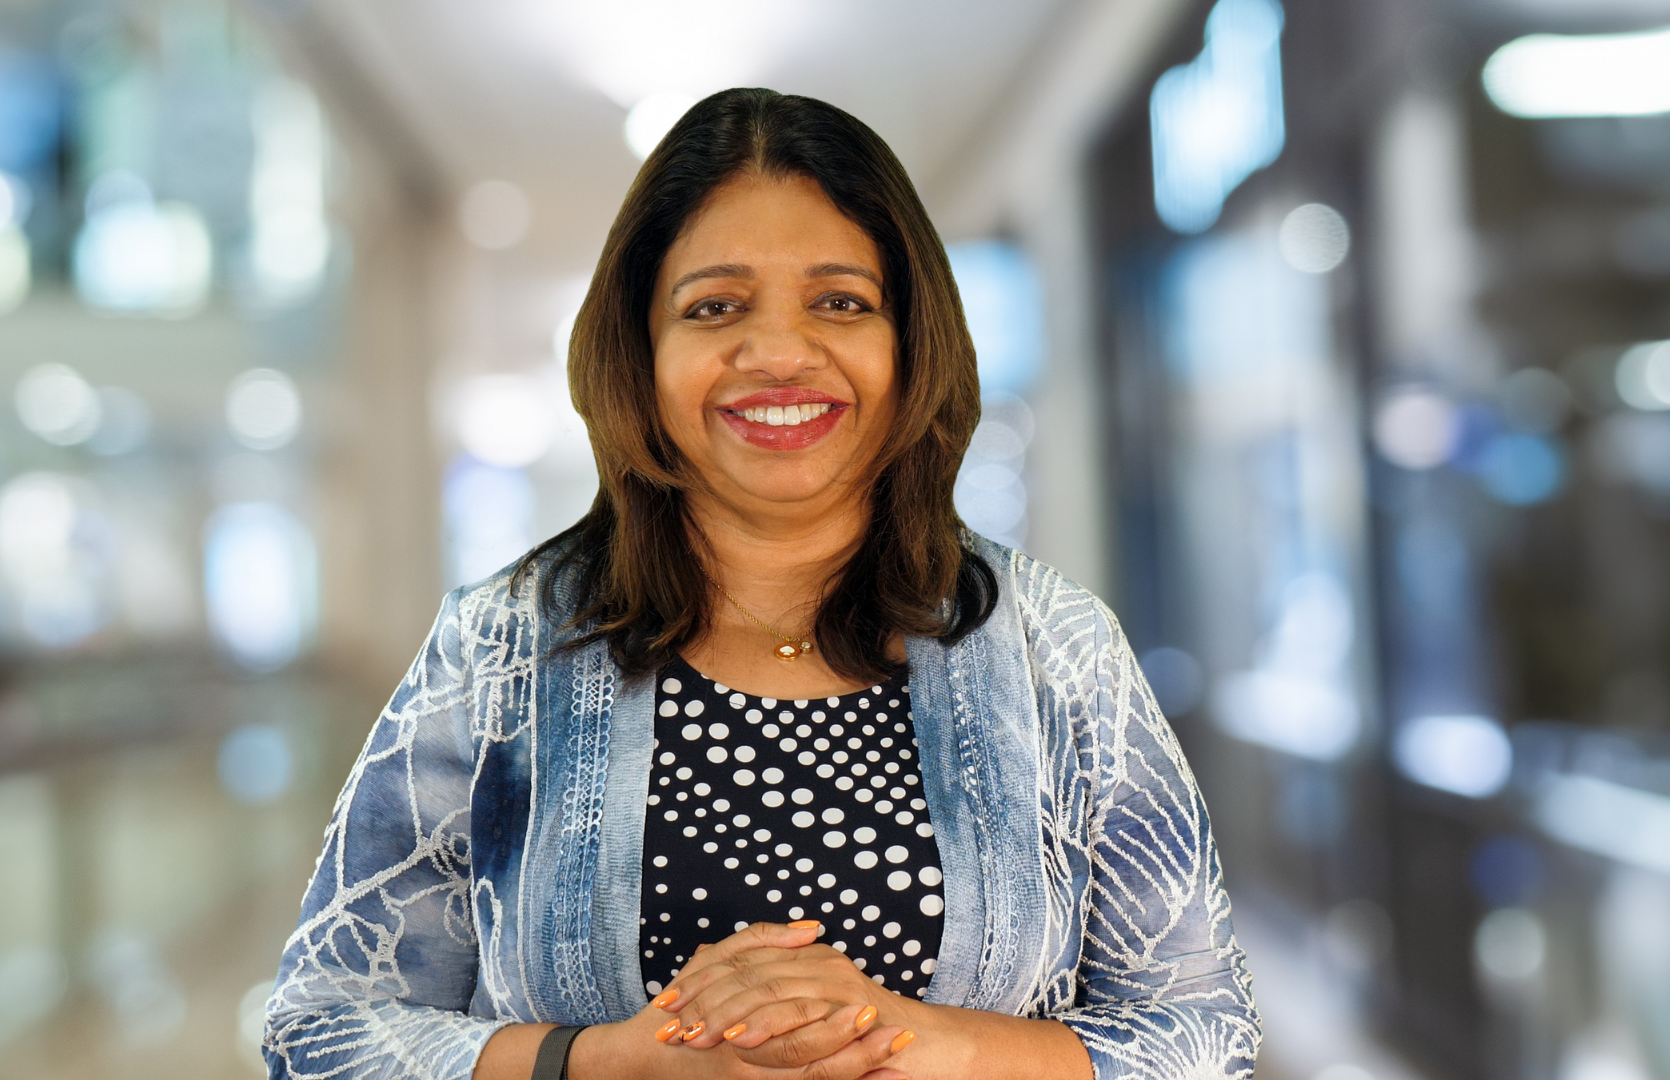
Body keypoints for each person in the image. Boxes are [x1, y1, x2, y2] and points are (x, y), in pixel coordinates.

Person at [262, 87, 1258, 1080]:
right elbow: (316, 1032)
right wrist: (607, 1063)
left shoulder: (1058, 650)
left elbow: (1205, 1034)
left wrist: (907, 1039)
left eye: (841, 302)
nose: (779, 354)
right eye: (714, 307)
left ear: (912, 346)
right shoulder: (501, 650)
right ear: (640, 356)